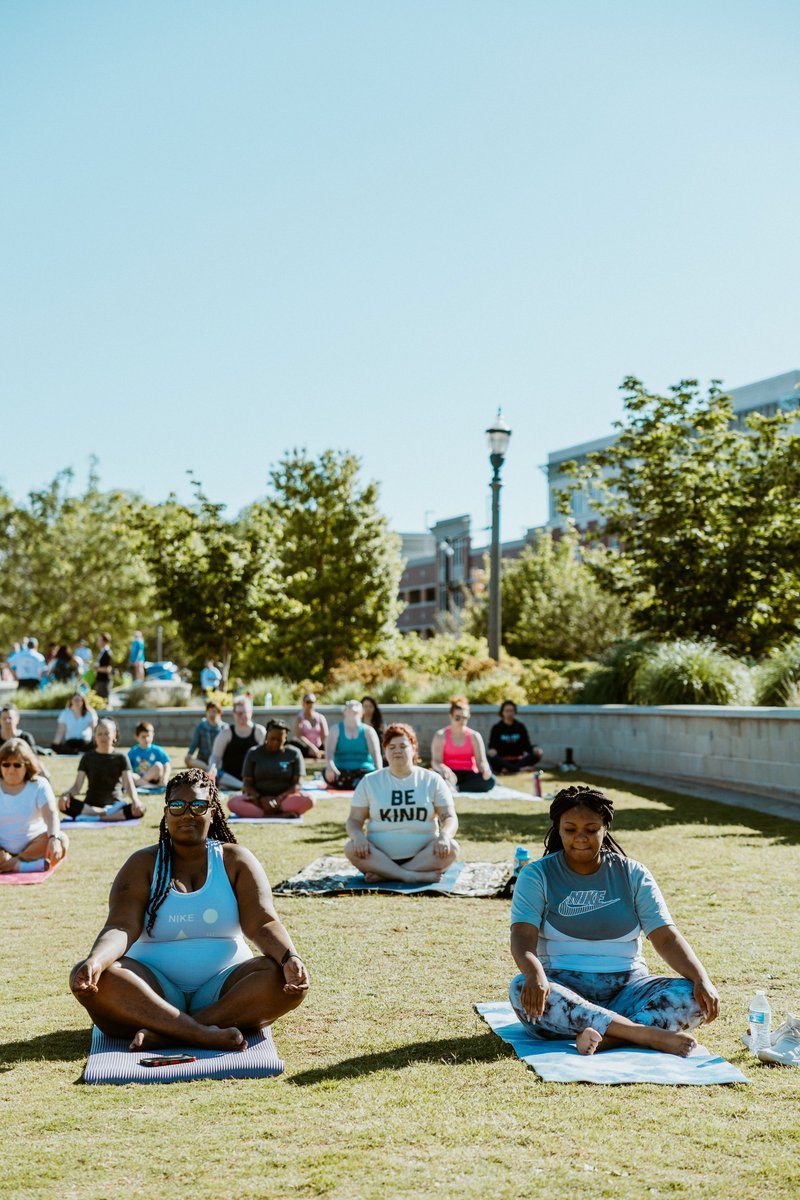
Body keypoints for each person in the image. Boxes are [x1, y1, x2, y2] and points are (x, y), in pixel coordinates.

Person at [69, 768, 309, 1051]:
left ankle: (170, 1031)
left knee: (282, 979)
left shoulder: (236, 860)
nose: (187, 813)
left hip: (225, 990)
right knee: (101, 979)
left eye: (198, 805)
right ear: (166, 811)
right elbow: (121, 926)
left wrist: (288, 957)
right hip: (151, 989)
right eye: (177, 805)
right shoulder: (142, 864)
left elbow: (263, 922)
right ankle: (200, 1032)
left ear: (212, 811)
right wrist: (96, 961)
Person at [509, 784, 720, 1057]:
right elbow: (523, 937)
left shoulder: (633, 873)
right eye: (570, 829)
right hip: (564, 987)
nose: (581, 838)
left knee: (693, 996)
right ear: (558, 829)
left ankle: (609, 1038)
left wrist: (701, 979)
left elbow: (666, 937)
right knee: (520, 987)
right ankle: (642, 1034)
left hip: (628, 989)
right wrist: (535, 974)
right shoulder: (536, 875)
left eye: (591, 829)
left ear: (605, 828)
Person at [345, 723, 459, 883]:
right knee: (350, 848)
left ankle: (387, 875)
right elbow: (354, 820)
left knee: (452, 848)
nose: (397, 750)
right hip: (379, 856)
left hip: (425, 855)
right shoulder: (370, 781)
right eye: (391, 747)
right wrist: (358, 837)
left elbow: (449, 817)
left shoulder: (432, 779)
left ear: (413, 747)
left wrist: (444, 836)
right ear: (384, 751)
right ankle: (408, 876)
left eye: (402, 746)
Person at [0, 738, 68, 873]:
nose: (12, 770)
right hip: (2, 847)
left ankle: (12, 864)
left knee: (61, 839)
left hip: (35, 844)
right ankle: (20, 866)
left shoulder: (39, 784)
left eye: (17, 765)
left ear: (27, 765)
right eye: (6, 765)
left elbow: (51, 814)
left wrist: (54, 838)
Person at [59, 718, 145, 821]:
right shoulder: (87, 757)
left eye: (106, 733)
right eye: (99, 734)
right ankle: (105, 815)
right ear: (95, 737)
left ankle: (95, 817)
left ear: (114, 735)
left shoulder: (121, 757)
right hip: (91, 806)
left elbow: (128, 783)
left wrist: (136, 801)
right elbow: (77, 787)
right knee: (63, 803)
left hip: (115, 806)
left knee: (142, 808)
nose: (103, 737)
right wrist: (66, 795)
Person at [228, 721, 315, 820]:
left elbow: (297, 784)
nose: (275, 742)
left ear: (285, 738)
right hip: (258, 801)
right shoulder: (253, 753)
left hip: (284, 800)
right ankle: (276, 815)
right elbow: (247, 784)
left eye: (279, 739)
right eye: (272, 738)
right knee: (232, 803)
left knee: (309, 800)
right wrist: (260, 799)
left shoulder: (294, 753)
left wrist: (279, 799)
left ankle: (268, 813)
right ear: (266, 736)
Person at [431, 696, 496, 793]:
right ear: (451, 716)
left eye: (464, 717)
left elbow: (481, 761)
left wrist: (486, 769)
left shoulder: (475, 736)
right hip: (449, 773)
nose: (461, 721)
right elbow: (435, 762)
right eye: (458, 717)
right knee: (435, 779)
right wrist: (443, 769)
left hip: (468, 774)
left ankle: (457, 788)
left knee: (490, 781)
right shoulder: (440, 735)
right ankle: (450, 785)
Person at [209, 697, 266, 789]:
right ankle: (244, 787)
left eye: (245, 712)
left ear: (251, 712)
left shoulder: (260, 731)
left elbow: (265, 757)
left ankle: (246, 786)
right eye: (239, 713)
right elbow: (215, 756)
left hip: (252, 777)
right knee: (217, 774)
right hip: (228, 777)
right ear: (234, 714)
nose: (242, 716)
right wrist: (212, 769)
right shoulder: (226, 733)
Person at [323, 700, 381, 790]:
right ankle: (357, 784)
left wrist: (379, 773)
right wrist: (330, 767)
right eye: (349, 705)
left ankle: (356, 783)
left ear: (362, 712)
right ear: (344, 711)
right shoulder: (335, 730)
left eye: (356, 705)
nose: (352, 706)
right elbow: (329, 753)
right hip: (340, 770)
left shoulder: (368, 731)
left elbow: (375, 754)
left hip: (364, 771)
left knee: (369, 777)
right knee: (329, 774)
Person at [488, 700, 543, 774]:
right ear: (502, 712)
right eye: (507, 711)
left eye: (511, 711)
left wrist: (535, 749)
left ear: (515, 712)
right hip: (503, 760)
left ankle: (509, 769)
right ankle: (519, 769)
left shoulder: (520, 726)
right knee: (489, 757)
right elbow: (491, 746)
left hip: (518, 760)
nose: (509, 713)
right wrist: (492, 750)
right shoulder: (496, 728)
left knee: (537, 754)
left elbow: (526, 746)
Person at [128, 721, 171, 788]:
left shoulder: (157, 750)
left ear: (153, 735)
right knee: (131, 776)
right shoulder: (133, 751)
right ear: (136, 737)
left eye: (148, 736)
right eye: (143, 737)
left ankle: (144, 784)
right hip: (139, 778)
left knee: (158, 765)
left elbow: (166, 765)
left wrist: (165, 778)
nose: (146, 739)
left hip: (154, 778)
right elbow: (126, 766)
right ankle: (153, 786)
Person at [185, 699, 225, 769]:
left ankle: (211, 769)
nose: (211, 714)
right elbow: (194, 743)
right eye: (209, 711)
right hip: (202, 760)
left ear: (219, 713)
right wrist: (189, 754)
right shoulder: (201, 726)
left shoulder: (224, 728)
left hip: (219, 760)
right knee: (188, 760)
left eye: (214, 711)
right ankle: (208, 768)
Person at [291, 692, 328, 760]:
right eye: (308, 702)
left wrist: (326, 750)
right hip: (305, 747)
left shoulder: (320, 717)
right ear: (303, 703)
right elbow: (299, 736)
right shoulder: (299, 718)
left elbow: (325, 736)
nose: (310, 704)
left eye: (312, 702)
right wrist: (312, 748)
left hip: (318, 747)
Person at [94, 633, 113, 700]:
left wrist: (95, 668)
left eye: (99, 640)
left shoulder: (107, 652)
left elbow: (107, 669)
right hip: (100, 680)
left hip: (104, 681)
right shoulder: (102, 652)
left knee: (104, 701)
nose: (97, 641)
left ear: (104, 641)